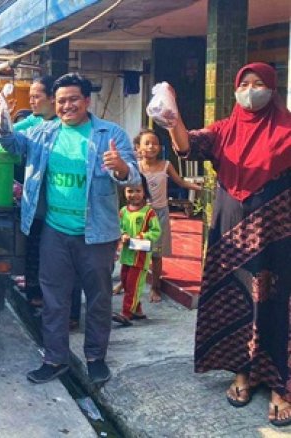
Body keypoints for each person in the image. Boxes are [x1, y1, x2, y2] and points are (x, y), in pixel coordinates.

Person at [166, 62, 291, 427]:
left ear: (272, 88)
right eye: (245, 84)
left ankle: (281, 385)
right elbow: (189, 147)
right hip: (231, 233)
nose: (250, 91)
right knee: (236, 298)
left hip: (279, 235)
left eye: (258, 84)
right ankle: (242, 372)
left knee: (279, 303)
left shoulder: (288, 128)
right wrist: (173, 121)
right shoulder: (223, 129)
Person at [0, 73, 140, 385]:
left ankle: (95, 358)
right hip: (55, 232)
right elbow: (10, 143)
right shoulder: (43, 132)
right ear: (54, 103)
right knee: (54, 300)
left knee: (99, 299)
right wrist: (2, 118)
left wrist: (122, 168)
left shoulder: (109, 133)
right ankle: (55, 359)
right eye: (61, 101)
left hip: (97, 233)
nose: (67, 106)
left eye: (73, 99)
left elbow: (133, 177)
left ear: (87, 101)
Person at [0, 76, 62, 310]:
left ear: (52, 98)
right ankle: (35, 293)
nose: (31, 101)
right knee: (34, 248)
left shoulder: (59, 127)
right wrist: (0, 119)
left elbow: (2, 137)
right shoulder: (33, 121)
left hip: (60, 204)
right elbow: (9, 136)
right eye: (29, 96)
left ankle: (58, 302)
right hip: (37, 204)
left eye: (36, 96)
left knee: (57, 257)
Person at [132, 129, 201, 302]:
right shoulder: (135, 167)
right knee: (136, 253)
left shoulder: (166, 165)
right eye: (146, 143)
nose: (151, 147)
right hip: (140, 216)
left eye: (154, 143)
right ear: (138, 148)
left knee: (156, 254)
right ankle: (130, 285)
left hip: (160, 215)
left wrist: (202, 188)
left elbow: (180, 182)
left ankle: (156, 288)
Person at [112, 177, 161, 327]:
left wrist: (139, 237)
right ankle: (137, 310)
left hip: (140, 257)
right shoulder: (123, 212)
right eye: (130, 191)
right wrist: (122, 235)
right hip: (126, 255)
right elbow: (117, 227)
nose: (134, 194)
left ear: (145, 192)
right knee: (126, 283)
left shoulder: (149, 213)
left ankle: (126, 314)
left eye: (138, 191)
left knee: (133, 286)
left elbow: (156, 232)